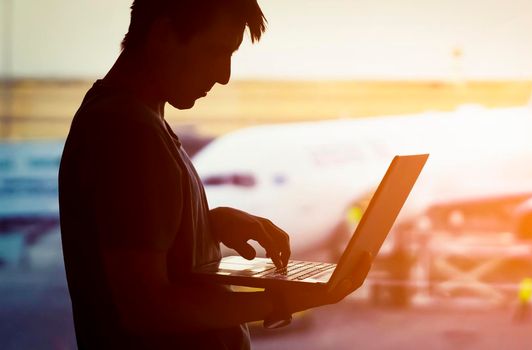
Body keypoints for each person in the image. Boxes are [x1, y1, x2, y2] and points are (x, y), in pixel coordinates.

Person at [58, 1, 371, 349]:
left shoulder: (134, 118)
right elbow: (147, 309)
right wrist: (287, 300)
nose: (224, 75)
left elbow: (132, 240)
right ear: (163, 34)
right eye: (216, 51)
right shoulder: (129, 132)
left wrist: (206, 225)